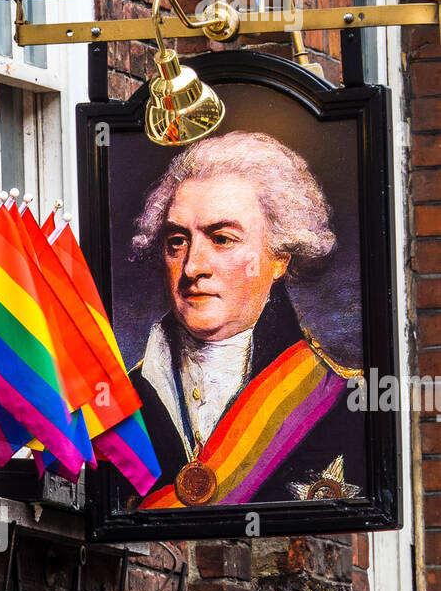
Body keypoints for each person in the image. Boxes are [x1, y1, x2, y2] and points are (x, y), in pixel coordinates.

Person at [127, 131, 363, 508]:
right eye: (177, 242)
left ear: (280, 257)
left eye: (221, 239)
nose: (192, 268)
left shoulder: (343, 403)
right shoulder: (118, 401)